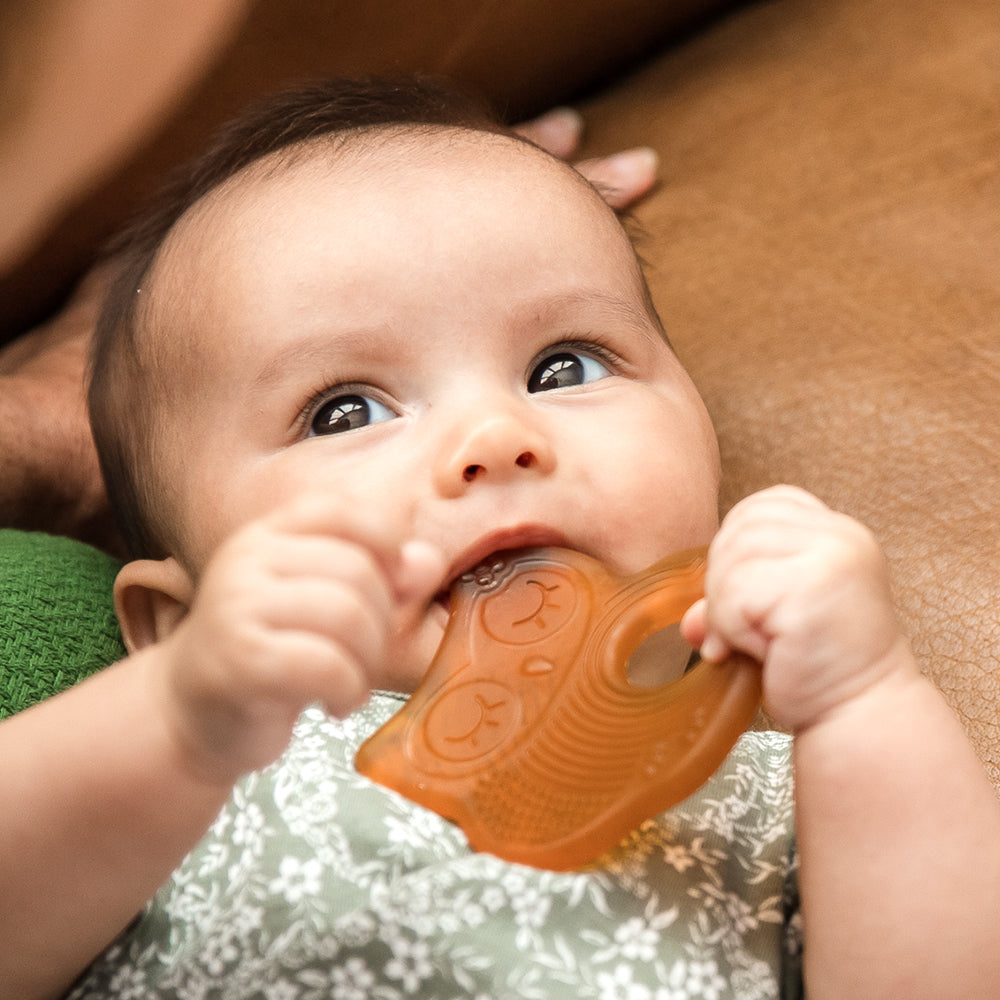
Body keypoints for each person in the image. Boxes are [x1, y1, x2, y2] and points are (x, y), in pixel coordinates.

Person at [3, 76, 999, 1000]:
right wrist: (175, 717)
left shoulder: (773, 773)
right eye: (345, 412)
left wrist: (866, 705)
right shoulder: (178, 775)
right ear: (171, 622)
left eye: (563, 367)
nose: (493, 439)